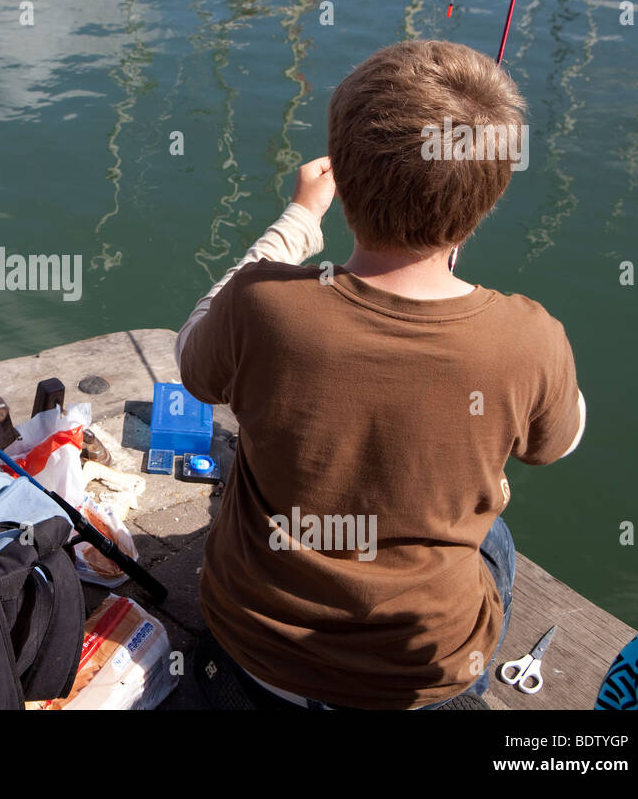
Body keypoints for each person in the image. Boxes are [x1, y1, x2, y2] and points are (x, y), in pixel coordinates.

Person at [178, 40, 586, 709]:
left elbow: (195, 350)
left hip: (252, 653)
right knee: (497, 536)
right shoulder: (531, 339)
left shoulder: (261, 305)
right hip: (421, 681)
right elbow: (557, 443)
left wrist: (297, 219)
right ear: (489, 197)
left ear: (343, 182)